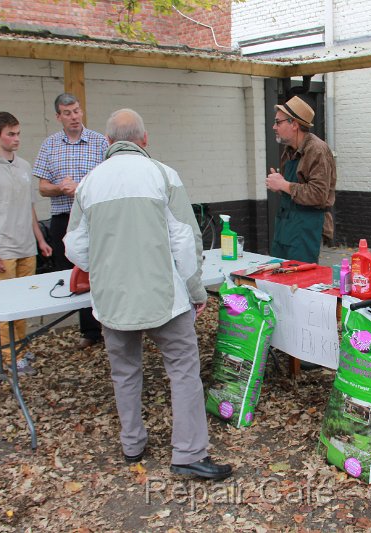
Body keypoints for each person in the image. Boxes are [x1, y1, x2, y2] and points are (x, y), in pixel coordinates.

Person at [63, 108, 232, 479]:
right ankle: (188, 454)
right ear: (144, 139)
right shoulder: (163, 175)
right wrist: (195, 290)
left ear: (108, 142)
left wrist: (106, 266)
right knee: (183, 371)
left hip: (112, 299)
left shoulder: (88, 183)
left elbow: (74, 247)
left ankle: (132, 445)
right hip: (164, 297)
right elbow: (185, 240)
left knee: (124, 373)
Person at [0, 111, 53, 376]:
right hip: (2, 249)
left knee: (23, 304)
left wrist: (40, 239)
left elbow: (29, 207)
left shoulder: (24, 166)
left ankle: (20, 348)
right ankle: (9, 357)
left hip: (26, 245)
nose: (16, 138)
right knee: (6, 307)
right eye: (11, 134)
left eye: (18, 133)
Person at [33, 93, 108, 349]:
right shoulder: (49, 145)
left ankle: (107, 322)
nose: (74, 117)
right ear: (58, 117)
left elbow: (109, 179)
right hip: (63, 218)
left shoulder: (99, 142)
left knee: (100, 268)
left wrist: (81, 187)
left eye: (76, 111)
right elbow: (42, 187)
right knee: (71, 271)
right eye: (67, 113)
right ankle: (89, 330)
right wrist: (60, 188)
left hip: (93, 218)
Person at [265, 95, 337, 264]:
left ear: (294, 124)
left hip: (307, 228)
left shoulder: (317, 151)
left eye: (278, 122)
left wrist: (284, 185)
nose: (274, 127)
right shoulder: (289, 151)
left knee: (301, 276)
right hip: (285, 226)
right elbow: (293, 188)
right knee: (278, 272)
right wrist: (280, 186)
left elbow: (318, 194)